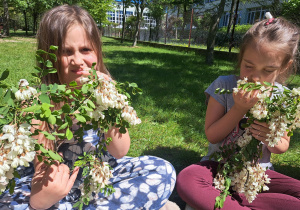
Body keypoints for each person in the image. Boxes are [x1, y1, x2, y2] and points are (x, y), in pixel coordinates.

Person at [0, 5, 178, 210]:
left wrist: (107, 101)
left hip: (99, 176)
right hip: (56, 183)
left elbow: (120, 151)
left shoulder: (102, 92)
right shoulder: (40, 101)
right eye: (66, 52)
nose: (78, 61)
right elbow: (43, 171)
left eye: (85, 49)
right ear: (50, 58)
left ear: (97, 52)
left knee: (162, 170)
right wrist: (41, 201)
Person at [176, 13, 300, 210]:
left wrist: (270, 138)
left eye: (268, 70)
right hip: (218, 167)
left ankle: (230, 204)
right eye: (248, 66)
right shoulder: (223, 86)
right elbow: (212, 135)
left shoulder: (283, 98)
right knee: (188, 178)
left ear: (285, 67)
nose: (255, 78)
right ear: (240, 57)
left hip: (258, 172)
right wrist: (239, 109)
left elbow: (282, 145)